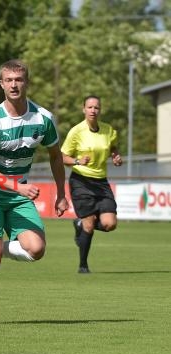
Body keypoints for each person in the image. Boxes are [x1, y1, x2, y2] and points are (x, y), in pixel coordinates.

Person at [0, 59, 69, 326]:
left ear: (27, 82)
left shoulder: (43, 118)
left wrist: (61, 193)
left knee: (36, 249)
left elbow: (56, 157)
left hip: (17, 193)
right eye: (9, 80)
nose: (14, 84)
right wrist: (18, 187)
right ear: (1, 84)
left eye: (19, 79)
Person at [61, 95, 123, 273]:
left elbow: (112, 147)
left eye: (96, 107)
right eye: (89, 107)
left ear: (100, 110)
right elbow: (62, 157)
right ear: (84, 110)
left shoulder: (108, 130)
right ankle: (83, 265)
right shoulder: (76, 131)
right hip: (81, 181)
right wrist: (78, 161)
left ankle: (79, 225)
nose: (93, 110)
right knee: (89, 223)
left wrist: (116, 156)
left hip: (101, 182)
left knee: (110, 224)